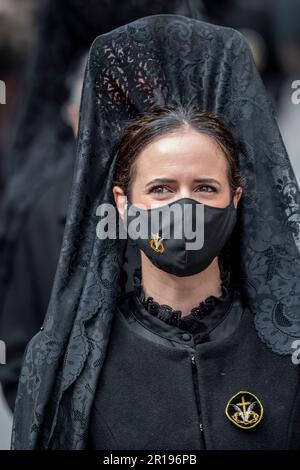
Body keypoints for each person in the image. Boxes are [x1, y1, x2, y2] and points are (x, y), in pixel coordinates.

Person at [11, 14, 300, 450]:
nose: (184, 207)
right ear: (124, 203)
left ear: (236, 199)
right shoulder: (70, 366)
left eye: (205, 188)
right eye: (161, 189)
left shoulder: (286, 351)